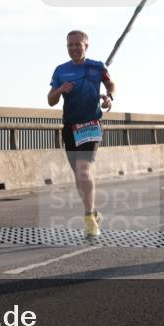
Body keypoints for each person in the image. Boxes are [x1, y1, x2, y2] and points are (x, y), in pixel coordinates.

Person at [48, 30, 115, 238]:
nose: (74, 48)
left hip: (91, 125)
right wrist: (60, 90)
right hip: (70, 126)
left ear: (86, 45)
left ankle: (88, 218)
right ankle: (94, 211)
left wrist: (109, 97)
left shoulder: (97, 66)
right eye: (70, 45)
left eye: (78, 44)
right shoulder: (60, 70)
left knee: (84, 170)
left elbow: (110, 83)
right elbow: (51, 100)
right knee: (78, 176)